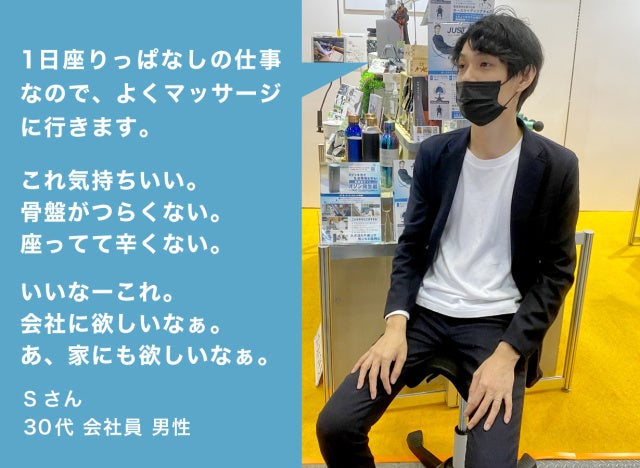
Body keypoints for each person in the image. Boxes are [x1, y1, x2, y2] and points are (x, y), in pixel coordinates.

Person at [316, 10, 579, 468]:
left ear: (523, 76)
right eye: (462, 66)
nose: (467, 78)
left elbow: (557, 273)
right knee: (335, 425)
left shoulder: (556, 166)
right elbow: (412, 247)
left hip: (497, 325)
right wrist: (394, 326)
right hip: (425, 314)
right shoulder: (436, 154)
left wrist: (508, 355)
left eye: (485, 65)